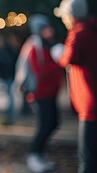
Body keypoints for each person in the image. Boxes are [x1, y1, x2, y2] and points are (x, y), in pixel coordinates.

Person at [55, 0, 97, 173]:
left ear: (71, 16)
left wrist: (58, 54)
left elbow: (68, 58)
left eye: (64, 16)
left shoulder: (78, 34)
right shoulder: (95, 29)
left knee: (87, 159)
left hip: (90, 107)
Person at [18, 14, 64, 173]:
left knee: (54, 123)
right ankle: (34, 155)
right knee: (45, 126)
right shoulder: (34, 47)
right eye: (45, 28)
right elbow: (40, 73)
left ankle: (40, 154)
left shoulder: (47, 45)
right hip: (40, 94)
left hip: (50, 93)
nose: (50, 30)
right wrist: (59, 61)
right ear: (39, 30)